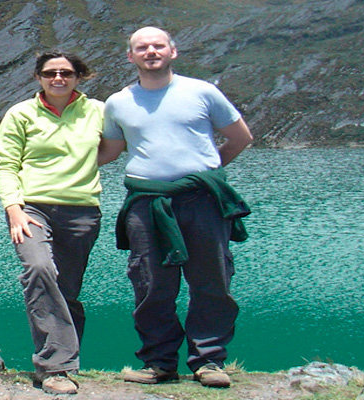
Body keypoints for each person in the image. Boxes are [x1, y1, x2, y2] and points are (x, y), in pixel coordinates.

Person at [99, 27, 254, 389]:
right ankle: (159, 363)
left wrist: (208, 175)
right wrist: (58, 165)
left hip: (202, 200)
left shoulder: (202, 92)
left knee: (212, 280)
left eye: (157, 46)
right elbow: (110, 151)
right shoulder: (119, 102)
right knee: (151, 284)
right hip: (146, 202)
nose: (150, 52)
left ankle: (209, 361)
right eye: (142, 48)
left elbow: (240, 137)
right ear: (130, 56)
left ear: (173, 51)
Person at [0, 51, 104, 395]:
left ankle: (66, 364)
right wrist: (13, 208)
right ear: (38, 77)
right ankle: (54, 366)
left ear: (78, 76)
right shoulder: (20, 113)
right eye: (50, 72)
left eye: (66, 72)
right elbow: (6, 163)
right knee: (39, 269)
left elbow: (115, 146)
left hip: (82, 211)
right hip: (31, 209)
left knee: (66, 290)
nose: (58, 78)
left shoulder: (98, 111)